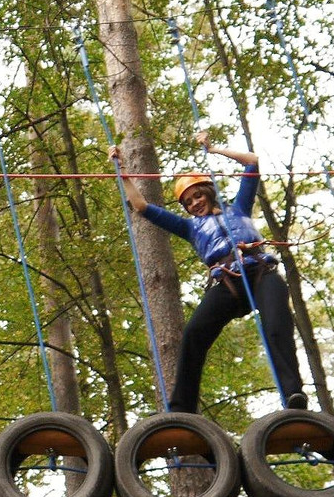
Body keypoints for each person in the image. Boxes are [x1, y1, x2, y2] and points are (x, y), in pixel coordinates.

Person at [109, 131, 307, 414]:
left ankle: (293, 394)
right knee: (194, 334)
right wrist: (122, 171)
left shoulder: (238, 208)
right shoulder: (190, 228)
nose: (194, 204)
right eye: (188, 203)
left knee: (277, 326)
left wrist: (213, 150)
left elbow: (252, 163)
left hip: (261, 272)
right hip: (227, 283)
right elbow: (141, 206)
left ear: (209, 191)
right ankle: (182, 409)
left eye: (197, 196)